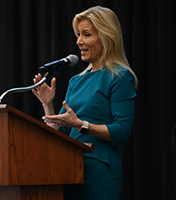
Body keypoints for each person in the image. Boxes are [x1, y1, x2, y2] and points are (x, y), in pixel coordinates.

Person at [32, 6, 138, 200]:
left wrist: (81, 125)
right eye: (78, 34)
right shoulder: (76, 81)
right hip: (68, 168)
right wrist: (47, 104)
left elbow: (122, 132)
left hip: (99, 169)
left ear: (106, 36)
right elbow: (62, 133)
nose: (78, 41)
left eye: (86, 34)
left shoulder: (120, 77)